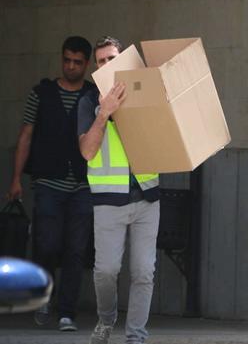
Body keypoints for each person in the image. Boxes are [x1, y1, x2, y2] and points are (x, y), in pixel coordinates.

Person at [7, 36, 95, 332]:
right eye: (66, 60)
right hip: (47, 182)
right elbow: (26, 135)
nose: (71, 67)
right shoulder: (41, 93)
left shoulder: (94, 96)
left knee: (76, 248)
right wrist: (16, 178)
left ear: (86, 63)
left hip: (83, 185)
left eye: (77, 62)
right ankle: (44, 296)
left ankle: (66, 311)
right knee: (46, 243)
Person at [77, 36, 160, 344]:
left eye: (113, 58)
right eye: (101, 61)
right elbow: (87, 151)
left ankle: (136, 336)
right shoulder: (87, 102)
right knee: (106, 271)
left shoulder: (143, 95)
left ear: (123, 59)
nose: (107, 65)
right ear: (94, 67)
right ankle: (106, 320)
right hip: (108, 201)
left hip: (147, 196)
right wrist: (103, 113)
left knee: (143, 272)